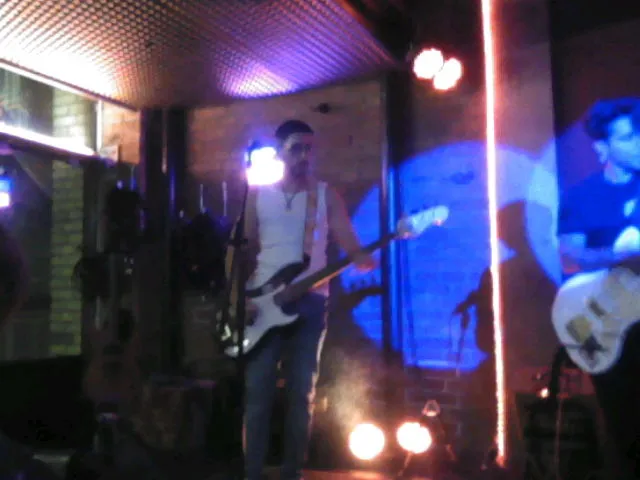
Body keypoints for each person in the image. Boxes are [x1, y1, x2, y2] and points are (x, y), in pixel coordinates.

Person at [241, 119, 375, 480]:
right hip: (263, 302)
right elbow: (241, 249)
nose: (305, 155)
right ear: (279, 152)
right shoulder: (257, 195)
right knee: (257, 392)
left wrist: (362, 256)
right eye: (297, 148)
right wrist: (241, 296)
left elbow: (349, 240)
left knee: (301, 394)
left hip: (311, 302)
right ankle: (251, 473)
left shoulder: (325, 195)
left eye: (310, 148)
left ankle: (292, 474)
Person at [557, 97, 640, 479]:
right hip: (610, 327)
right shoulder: (581, 196)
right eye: (628, 137)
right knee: (625, 430)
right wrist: (620, 253)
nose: (639, 143)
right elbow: (571, 259)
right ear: (602, 146)